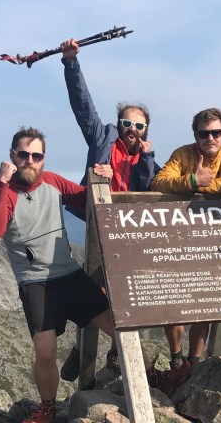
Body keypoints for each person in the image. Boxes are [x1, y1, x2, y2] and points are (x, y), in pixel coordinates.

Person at [0, 126, 117, 423]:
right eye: (24, 155)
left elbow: (86, 198)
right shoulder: (6, 192)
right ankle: (47, 409)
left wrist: (104, 178)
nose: (30, 161)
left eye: (37, 156)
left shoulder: (53, 181)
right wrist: (0, 183)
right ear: (12, 156)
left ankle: (151, 379)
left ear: (43, 159)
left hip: (69, 273)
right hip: (36, 283)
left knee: (119, 328)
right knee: (45, 352)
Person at [57, 37, 159, 380]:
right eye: (127, 123)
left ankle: (110, 353)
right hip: (98, 228)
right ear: (119, 124)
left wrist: (147, 159)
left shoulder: (148, 160)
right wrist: (71, 63)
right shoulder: (102, 139)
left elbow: (153, 188)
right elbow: (82, 105)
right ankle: (84, 350)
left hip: (131, 237)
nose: (132, 129)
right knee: (96, 288)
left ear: (146, 131)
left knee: (125, 292)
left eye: (139, 125)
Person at [150, 107, 221, 390]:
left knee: (205, 299)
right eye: (204, 133)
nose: (210, 138)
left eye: (216, 132)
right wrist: (192, 180)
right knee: (173, 299)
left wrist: (201, 185)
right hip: (178, 237)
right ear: (196, 135)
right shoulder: (182, 153)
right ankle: (177, 361)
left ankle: (195, 361)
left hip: (212, 238)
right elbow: (158, 183)